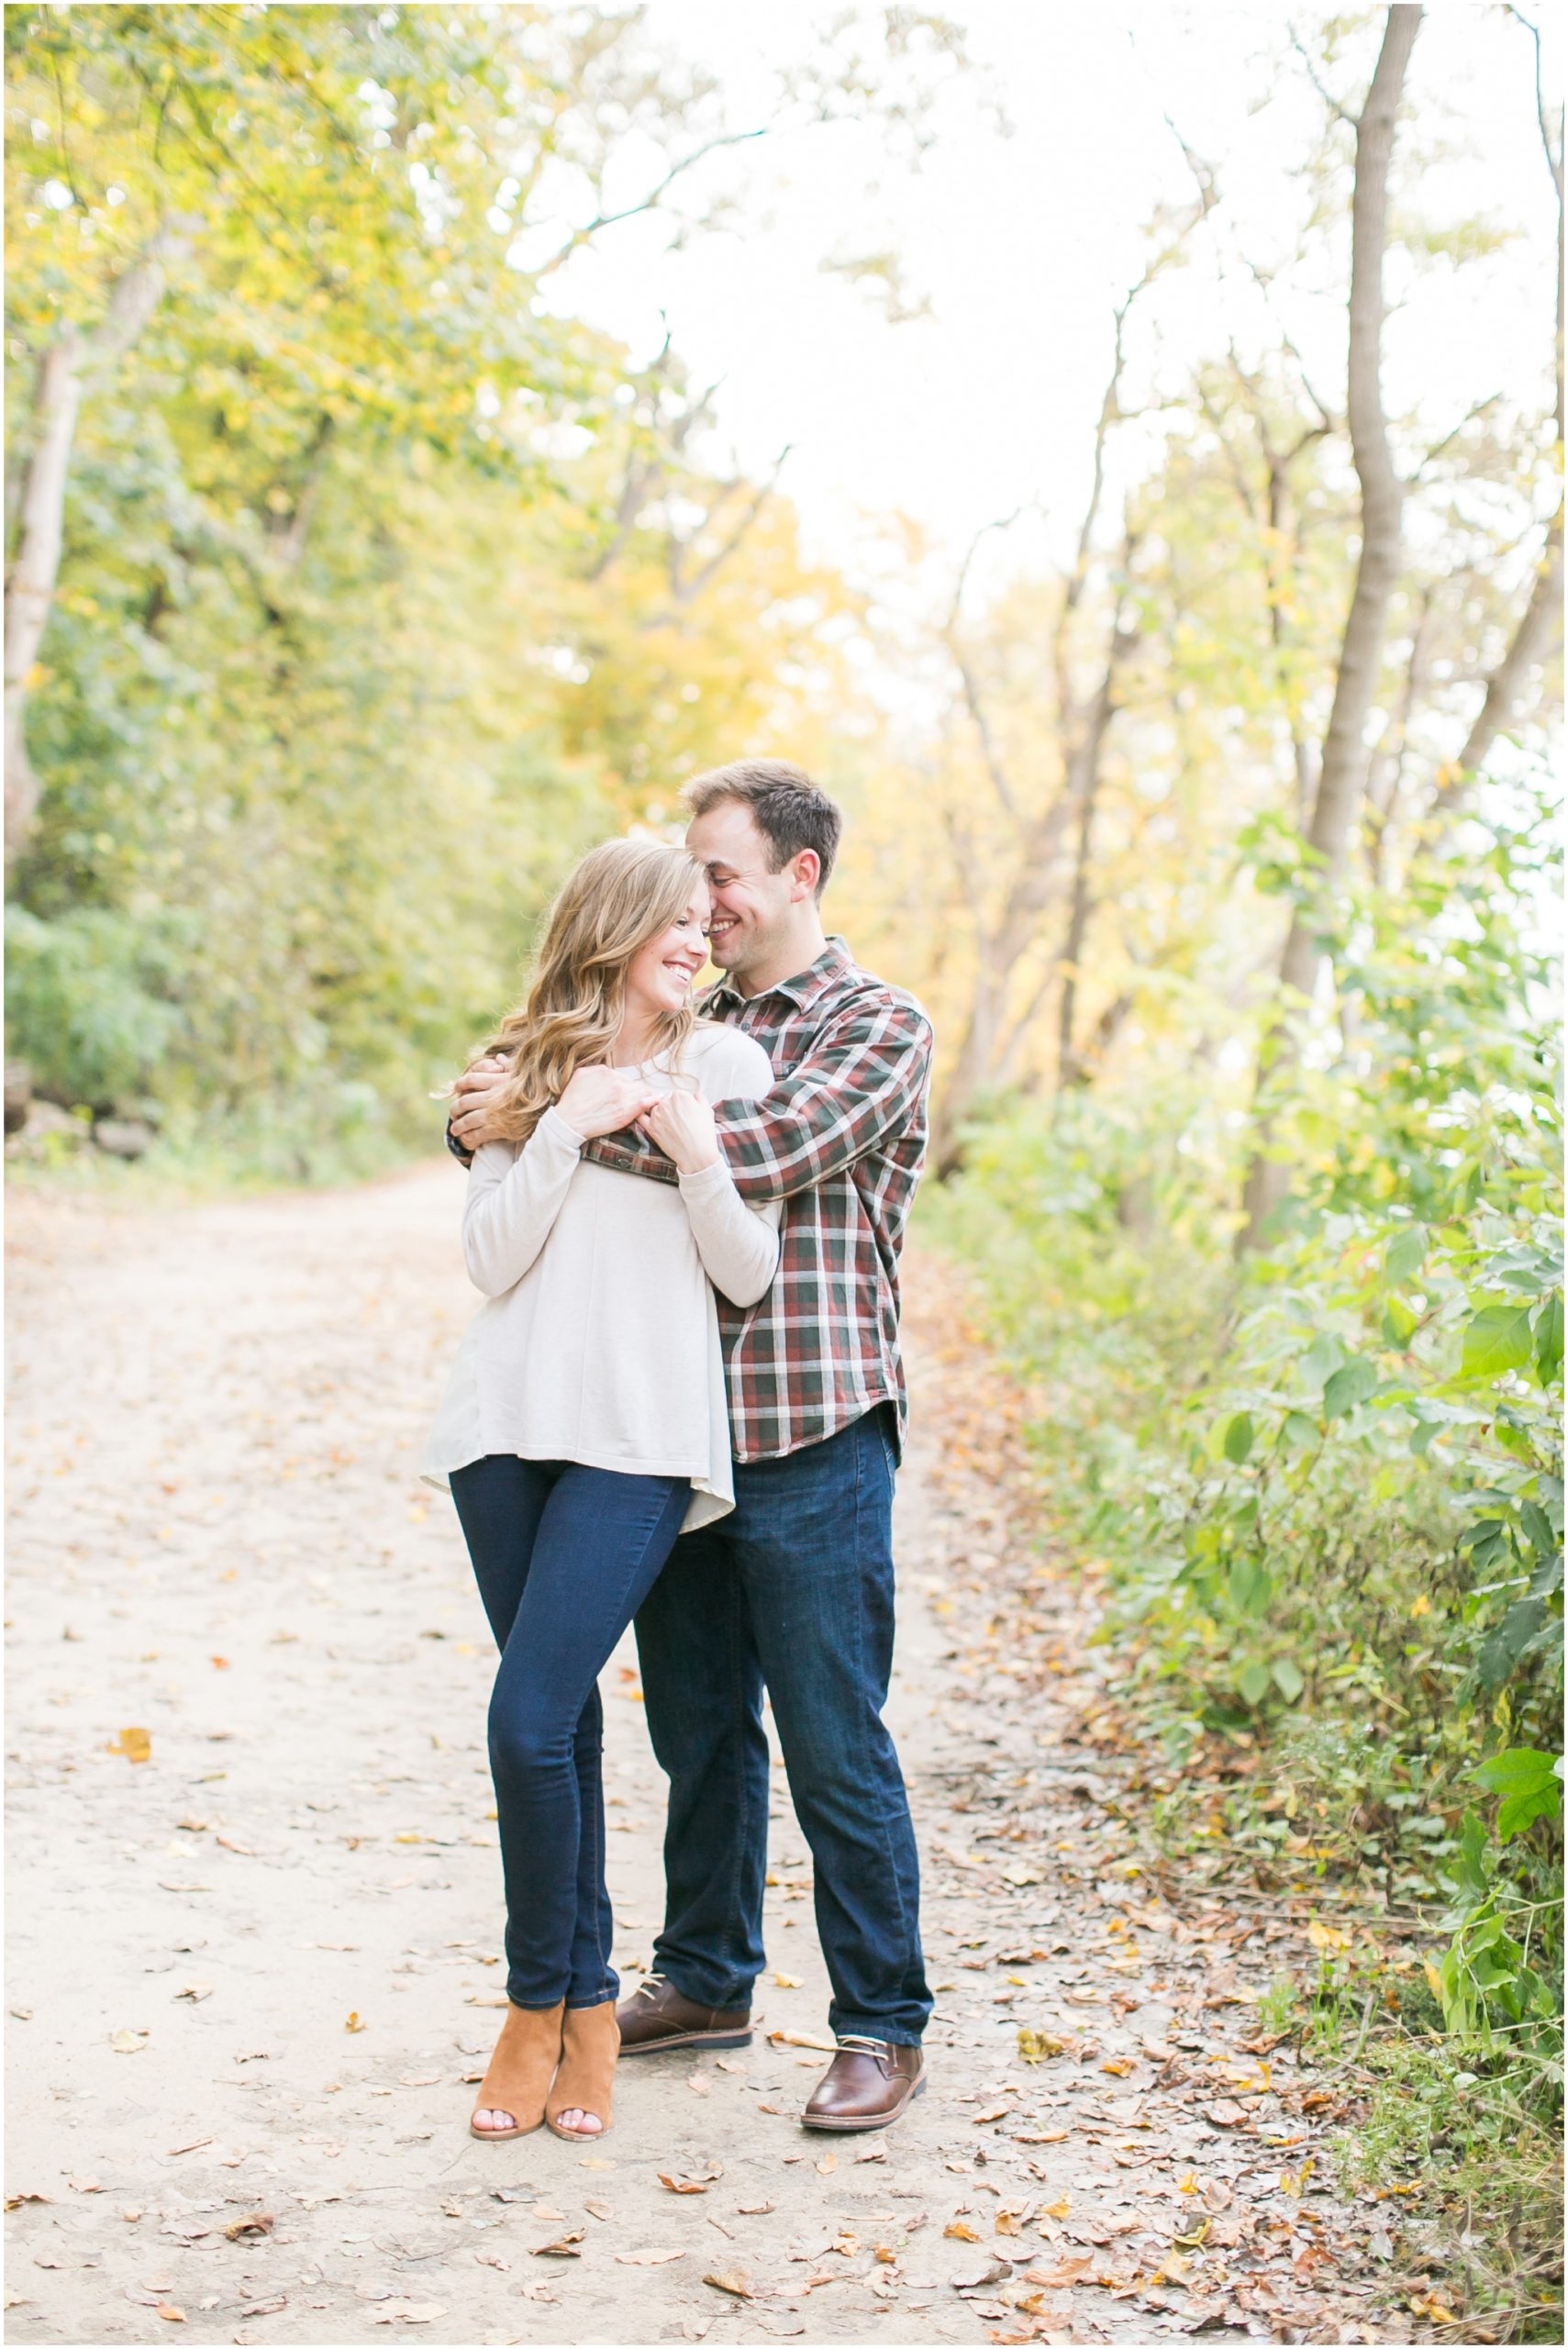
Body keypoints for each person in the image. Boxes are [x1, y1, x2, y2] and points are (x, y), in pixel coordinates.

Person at [450, 761, 936, 2132]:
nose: (700, 898)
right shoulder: (682, 1014)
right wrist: (537, 1099)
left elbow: (764, 1147)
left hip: (808, 1426)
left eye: (718, 872)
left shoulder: (871, 1022)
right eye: (686, 875)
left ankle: (878, 2022)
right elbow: (559, 1125)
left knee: (835, 1738)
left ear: (799, 876)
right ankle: (708, 1977)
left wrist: (538, 1108)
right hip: (661, 1432)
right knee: (699, 1731)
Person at [425, 837, 780, 2143]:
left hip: (638, 1438)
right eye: (674, 923)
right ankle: (572, 2016)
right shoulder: (521, 1070)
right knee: (557, 1723)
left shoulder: (725, 1068)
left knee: (524, 1722)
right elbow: (489, 1259)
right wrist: (564, 1126)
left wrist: (694, 1158)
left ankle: (538, 2004)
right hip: (506, 1426)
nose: (697, 941)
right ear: (613, 924)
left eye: (705, 923)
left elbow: (744, 1274)